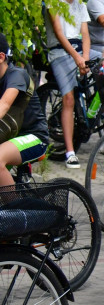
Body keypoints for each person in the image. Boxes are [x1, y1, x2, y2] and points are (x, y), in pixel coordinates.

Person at [43, 0, 94, 168]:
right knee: (68, 98)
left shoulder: (81, 5)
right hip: (61, 51)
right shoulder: (54, 3)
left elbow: (85, 35)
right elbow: (59, 33)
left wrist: (86, 59)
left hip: (79, 50)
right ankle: (70, 150)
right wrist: (77, 58)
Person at [0, 32, 49, 188]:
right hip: (8, 138)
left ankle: (15, 209)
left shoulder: (17, 76)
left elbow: (4, 105)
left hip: (34, 137)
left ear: (1, 57)